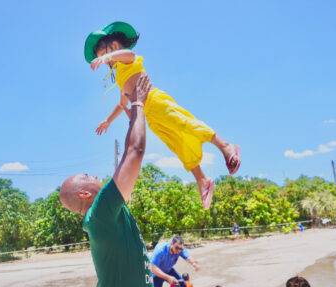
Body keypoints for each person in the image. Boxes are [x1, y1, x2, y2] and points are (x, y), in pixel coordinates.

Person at [85, 21, 241, 210]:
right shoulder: (119, 75)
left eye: (105, 55)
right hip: (149, 116)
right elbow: (122, 103)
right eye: (103, 58)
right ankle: (202, 180)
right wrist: (108, 121)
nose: (106, 61)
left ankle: (226, 147)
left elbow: (130, 54)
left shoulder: (127, 59)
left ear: (115, 47)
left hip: (155, 101)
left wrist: (109, 56)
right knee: (177, 143)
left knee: (186, 124)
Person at [59, 75, 154, 287]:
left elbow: (131, 153)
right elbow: (134, 151)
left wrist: (132, 118)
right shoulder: (101, 212)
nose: (92, 174)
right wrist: (137, 103)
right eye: (86, 175)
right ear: (83, 193)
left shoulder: (105, 214)